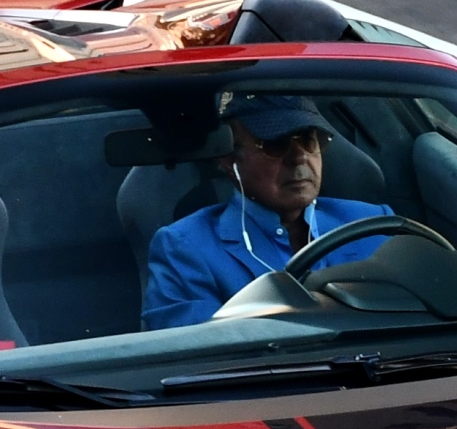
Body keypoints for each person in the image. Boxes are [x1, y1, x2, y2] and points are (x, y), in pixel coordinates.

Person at [142, 94, 394, 329]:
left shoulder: (374, 223)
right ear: (228, 160)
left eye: (307, 139)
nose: (299, 158)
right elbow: (199, 358)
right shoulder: (185, 248)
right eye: (275, 144)